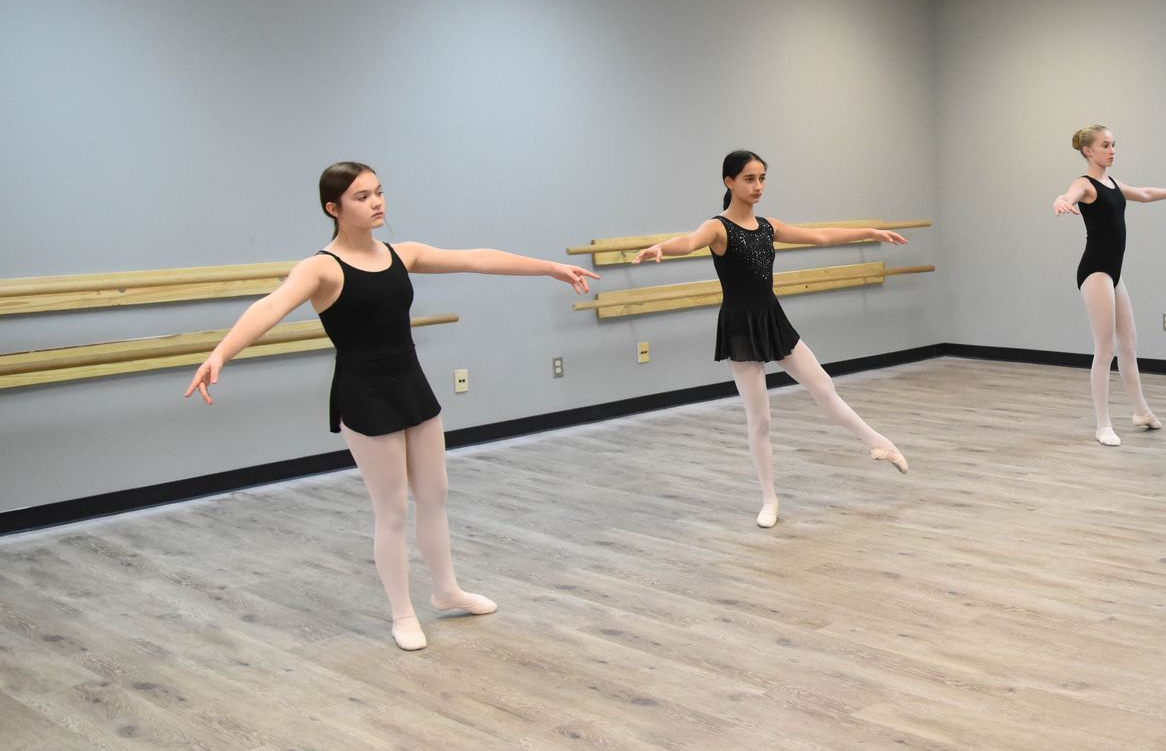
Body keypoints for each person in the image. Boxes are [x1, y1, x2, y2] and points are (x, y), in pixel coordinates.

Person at [186, 161, 598, 651]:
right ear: (333, 208)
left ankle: (446, 590)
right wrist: (220, 353)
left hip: (411, 382)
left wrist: (549, 267)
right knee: (392, 509)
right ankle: (402, 613)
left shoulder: (402, 254)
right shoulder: (321, 268)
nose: (377, 202)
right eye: (362, 197)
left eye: (378, 192)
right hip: (364, 390)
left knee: (435, 494)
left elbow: (477, 258)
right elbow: (269, 308)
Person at [633, 150, 909, 529]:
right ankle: (769, 499)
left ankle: (879, 443)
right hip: (740, 327)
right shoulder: (718, 228)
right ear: (729, 182)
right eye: (749, 178)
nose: (758, 186)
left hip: (773, 319)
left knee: (824, 387)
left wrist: (869, 232)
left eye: (762, 178)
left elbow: (820, 236)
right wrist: (662, 247)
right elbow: (689, 240)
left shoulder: (768, 226)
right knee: (759, 418)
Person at [1053, 126, 1166, 447]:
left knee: (1129, 343)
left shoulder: (1111, 183)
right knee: (1105, 349)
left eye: (1114, 145)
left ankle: (1140, 411)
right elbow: (1068, 195)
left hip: (1114, 272)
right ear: (1088, 151)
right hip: (1095, 271)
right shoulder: (1084, 184)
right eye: (1105, 145)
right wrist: (1060, 201)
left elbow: (1144, 193)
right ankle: (1103, 424)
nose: (1112, 151)